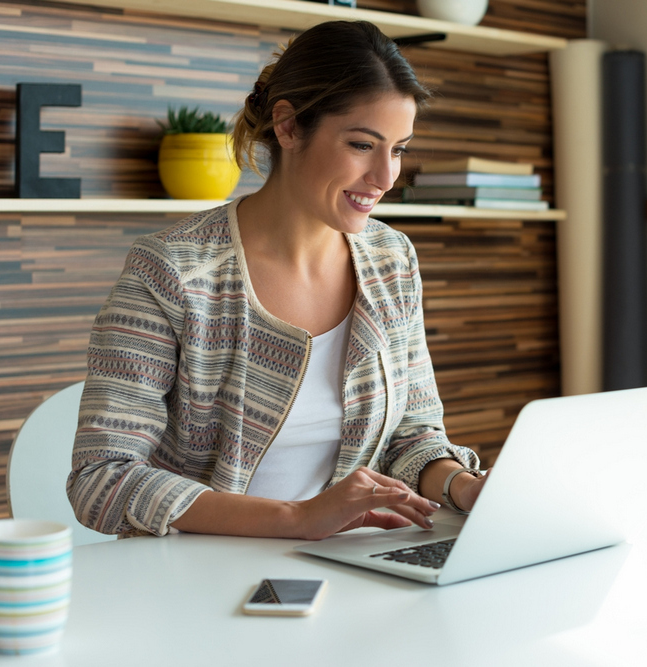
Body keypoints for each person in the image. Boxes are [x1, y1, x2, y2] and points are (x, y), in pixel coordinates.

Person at [67, 20, 488, 540]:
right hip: (195, 577)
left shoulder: (390, 260)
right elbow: (101, 478)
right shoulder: (173, 271)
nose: (386, 177)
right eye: (362, 144)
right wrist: (299, 519)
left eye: (398, 148)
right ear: (288, 127)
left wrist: (463, 487)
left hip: (348, 565)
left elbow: (412, 437)